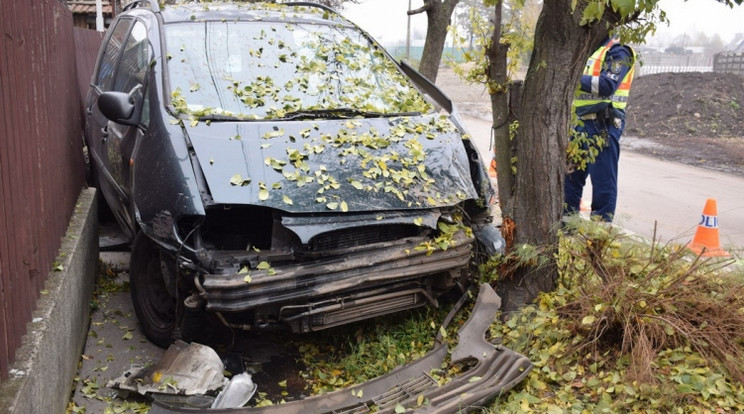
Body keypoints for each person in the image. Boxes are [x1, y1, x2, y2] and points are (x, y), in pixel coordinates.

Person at [564, 36, 636, 222]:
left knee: (603, 181)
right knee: (570, 177)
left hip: (603, 123)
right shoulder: (588, 49)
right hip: (579, 123)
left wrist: (572, 77)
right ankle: (566, 228)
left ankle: (598, 236)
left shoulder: (619, 51)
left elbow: (607, 85)